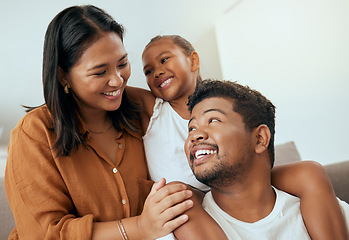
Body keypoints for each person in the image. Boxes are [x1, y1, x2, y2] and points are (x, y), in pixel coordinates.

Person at [127, 35, 349, 239]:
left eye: (165, 60)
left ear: (193, 60)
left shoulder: (224, 100)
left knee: (309, 172)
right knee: (178, 195)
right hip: (200, 195)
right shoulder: (153, 110)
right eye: (191, 128)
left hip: (239, 182)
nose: (156, 72)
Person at [4, 5, 194, 240]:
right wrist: (140, 227)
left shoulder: (141, 108)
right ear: (64, 75)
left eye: (122, 64)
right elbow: (46, 234)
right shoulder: (34, 133)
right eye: (99, 72)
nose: (117, 81)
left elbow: (193, 114)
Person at [184, 79, 349, 239]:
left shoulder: (322, 208)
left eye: (213, 120)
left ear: (260, 138)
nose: (194, 135)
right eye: (191, 128)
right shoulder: (179, 223)